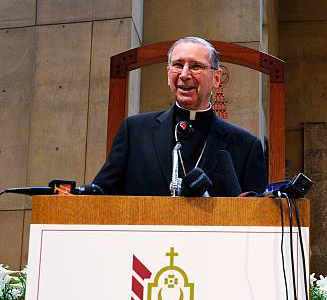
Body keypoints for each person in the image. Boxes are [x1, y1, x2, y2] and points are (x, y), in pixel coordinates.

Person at [94, 36, 267, 196]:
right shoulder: (135, 131)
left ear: (216, 78)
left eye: (195, 66)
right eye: (178, 65)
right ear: (168, 74)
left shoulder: (245, 146)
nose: (184, 75)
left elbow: (258, 217)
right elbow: (101, 192)